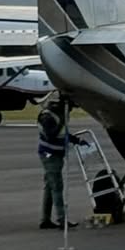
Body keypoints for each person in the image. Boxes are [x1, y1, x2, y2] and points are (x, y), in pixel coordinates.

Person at [38, 96, 82, 229]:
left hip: (54, 155)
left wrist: (76, 140)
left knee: (50, 187)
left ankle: (45, 219)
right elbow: (51, 135)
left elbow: (63, 134)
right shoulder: (48, 117)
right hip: (49, 155)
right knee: (57, 186)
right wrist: (62, 122)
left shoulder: (57, 116)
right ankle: (62, 219)